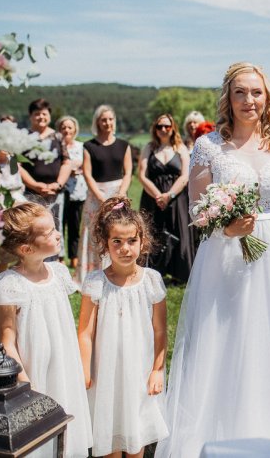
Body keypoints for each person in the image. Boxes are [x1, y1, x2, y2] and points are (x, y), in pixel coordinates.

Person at [156, 62, 270, 456]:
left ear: (268, 97)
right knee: (225, 339)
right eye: (240, 92)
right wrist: (226, 228)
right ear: (228, 99)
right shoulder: (209, 146)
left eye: (256, 92)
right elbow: (197, 209)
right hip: (225, 255)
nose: (249, 100)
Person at [0, 202, 92, 458]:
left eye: (56, 228)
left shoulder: (58, 272)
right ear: (26, 248)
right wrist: (24, 382)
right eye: (49, 233)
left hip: (62, 362)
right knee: (34, 427)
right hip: (31, 368)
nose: (58, 234)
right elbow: (7, 341)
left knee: (62, 404)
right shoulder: (9, 284)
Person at [77, 196, 168, 457]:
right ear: (105, 244)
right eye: (117, 241)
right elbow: (85, 331)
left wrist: (157, 370)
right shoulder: (96, 282)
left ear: (143, 242)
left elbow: (161, 330)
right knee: (109, 433)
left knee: (135, 433)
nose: (125, 248)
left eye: (131, 241)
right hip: (104, 370)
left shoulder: (151, 281)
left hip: (139, 370)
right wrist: (84, 370)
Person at [77, 105, 132, 282]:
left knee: (117, 232)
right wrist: (101, 197)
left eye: (110, 119)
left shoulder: (124, 145)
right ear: (98, 122)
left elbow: (128, 172)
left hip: (118, 194)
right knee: (93, 232)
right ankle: (90, 273)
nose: (107, 123)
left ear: (114, 121)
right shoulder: (89, 146)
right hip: (96, 195)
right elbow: (87, 173)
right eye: (103, 120)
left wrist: (121, 194)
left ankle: (116, 269)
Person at [138, 113, 194, 283]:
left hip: (176, 198)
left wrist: (169, 195)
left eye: (167, 126)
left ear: (173, 128)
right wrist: (158, 196)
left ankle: (180, 273)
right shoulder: (149, 148)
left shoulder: (180, 148)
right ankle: (153, 272)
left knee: (179, 231)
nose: (163, 129)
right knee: (153, 233)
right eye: (159, 126)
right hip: (152, 197)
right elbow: (141, 175)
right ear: (155, 129)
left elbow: (185, 176)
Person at [19, 98, 71, 260]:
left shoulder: (58, 137)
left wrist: (58, 184)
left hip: (55, 194)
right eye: (37, 114)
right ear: (30, 116)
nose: (41, 117)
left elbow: (66, 162)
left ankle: (53, 265)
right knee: (32, 230)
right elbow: (18, 165)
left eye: (44, 113)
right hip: (31, 194)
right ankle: (32, 264)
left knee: (55, 229)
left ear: (49, 115)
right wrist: (35, 185)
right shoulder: (24, 136)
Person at [57, 116, 87, 270]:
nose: (66, 130)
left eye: (69, 127)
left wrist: (77, 168)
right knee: (59, 226)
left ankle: (74, 258)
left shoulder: (82, 147)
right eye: (63, 127)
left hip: (78, 192)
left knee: (75, 228)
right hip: (60, 192)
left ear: (75, 129)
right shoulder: (56, 147)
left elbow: (87, 167)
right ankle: (59, 257)